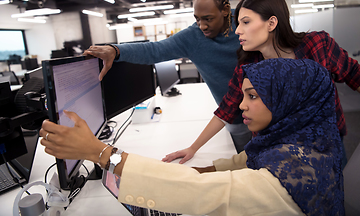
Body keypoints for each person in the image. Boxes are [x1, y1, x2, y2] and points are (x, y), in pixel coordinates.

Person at [40, 58, 344, 215]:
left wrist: (102, 153)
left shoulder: (286, 183)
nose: (241, 105)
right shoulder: (308, 139)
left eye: (252, 96)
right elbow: (249, 158)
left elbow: (204, 192)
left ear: (286, 100)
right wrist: (205, 168)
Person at [162, 0, 360, 165]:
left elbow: (355, 75)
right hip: (281, 153)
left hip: (326, 144)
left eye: (246, 22)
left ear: (271, 22)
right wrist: (193, 148)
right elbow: (226, 110)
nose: (237, 30)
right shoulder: (249, 67)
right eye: (238, 23)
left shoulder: (317, 45)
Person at [84, 0, 252, 155]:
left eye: (208, 18)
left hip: (268, 112)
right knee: (247, 165)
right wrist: (116, 50)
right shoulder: (192, 37)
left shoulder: (246, 25)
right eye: (197, 19)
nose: (202, 26)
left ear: (225, 10)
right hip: (234, 118)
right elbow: (154, 50)